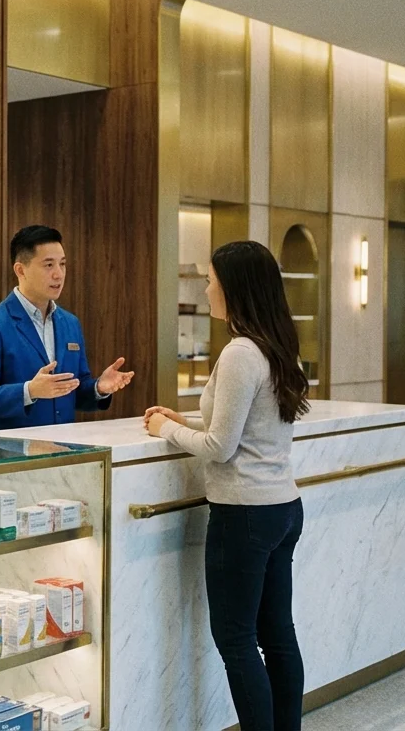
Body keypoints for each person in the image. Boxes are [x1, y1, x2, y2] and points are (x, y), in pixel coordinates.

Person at [145, 240, 309, 731]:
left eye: (212, 280)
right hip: (283, 507)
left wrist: (165, 430)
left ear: (235, 288)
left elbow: (220, 447)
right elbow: (247, 422)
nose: (207, 287)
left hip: (244, 514)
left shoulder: (240, 353)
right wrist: (186, 417)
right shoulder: (277, 345)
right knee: (277, 633)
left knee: (236, 640)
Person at [0, 225, 134, 431]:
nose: (58, 274)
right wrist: (29, 391)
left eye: (62, 264)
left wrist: (99, 388)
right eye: (48, 265)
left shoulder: (70, 323)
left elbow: (73, 391)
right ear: (20, 270)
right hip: (10, 456)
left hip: (62, 449)